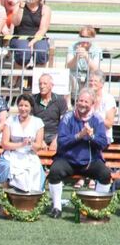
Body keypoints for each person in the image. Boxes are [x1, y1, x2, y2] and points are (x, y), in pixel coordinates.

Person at [48, 90, 112, 218]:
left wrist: (91, 136)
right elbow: (61, 142)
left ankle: (97, 208)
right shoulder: (67, 118)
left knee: (105, 174)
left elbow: (102, 143)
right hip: (68, 161)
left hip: (90, 162)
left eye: (86, 102)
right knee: (54, 171)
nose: (82, 104)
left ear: (92, 104)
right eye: (80, 101)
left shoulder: (97, 119)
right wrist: (79, 136)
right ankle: (56, 207)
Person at [0, 95, 46, 194]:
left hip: (29, 155)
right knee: (10, 168)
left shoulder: (38, 122)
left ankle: (30, 197)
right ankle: (12, 195)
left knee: (35, 169)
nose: (23, 108)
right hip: (12, 154)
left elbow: (38, 146)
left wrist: (30, 144)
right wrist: (21, 144)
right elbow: (4, 144)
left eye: (26, 106)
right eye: (20, 105)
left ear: (31, 107)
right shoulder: (10, 121)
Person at [8, 0, 51, 68]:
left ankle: (38, 75)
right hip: (20, 36)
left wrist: (32, 42)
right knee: (23, 52)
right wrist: (21, 7)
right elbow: (16, 22)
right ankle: (18, 75)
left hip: (38, 37)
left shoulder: (45, 9)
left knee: (41, 52)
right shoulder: (18, 6)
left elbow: (43, 29)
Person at [34, 72, 69, 146]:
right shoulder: (33, 100)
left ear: (51, 85)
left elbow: (64, 122)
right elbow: (30, 121)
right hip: (36, 134)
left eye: (45, 84)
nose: (42, 86)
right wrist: (40, 140)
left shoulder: (60, 100)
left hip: (54, 134)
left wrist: (56, 139)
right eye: (40, 84)